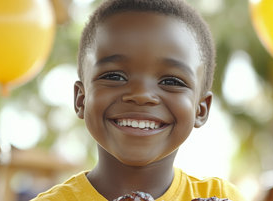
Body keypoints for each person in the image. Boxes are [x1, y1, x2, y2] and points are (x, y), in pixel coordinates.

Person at [31, 0, 246, 200]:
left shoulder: (221, 195)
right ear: (81, 99)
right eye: (114, 77)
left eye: (171, 81)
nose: (141, 95)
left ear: (201, 109)